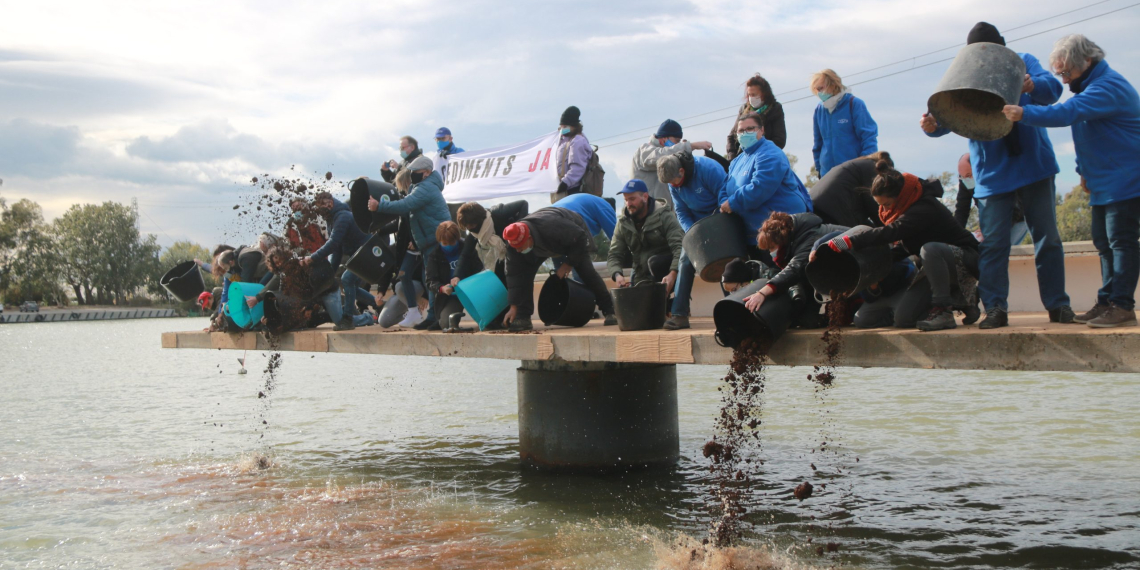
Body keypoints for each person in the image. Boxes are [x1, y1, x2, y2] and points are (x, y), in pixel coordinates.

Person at [922, 22, 1073, 328]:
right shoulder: (966, 72)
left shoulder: (1023, 60)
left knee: (1048, 240)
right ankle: (995, 309)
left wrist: (1033, 86)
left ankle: (1058, 306)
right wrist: (932, 127)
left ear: (1003, 47)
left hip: (1034, 165)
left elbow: (1053, 91)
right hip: (992, 172)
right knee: (993, 245)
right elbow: (949, 116)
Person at [1002, 34, 1140, 328]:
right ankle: (1107, 301)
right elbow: (1088, 135)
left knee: (1121, 242)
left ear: (1087, 62)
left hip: (1127, 179)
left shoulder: (1108, 87)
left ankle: (1122, 306)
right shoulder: (1091, 87)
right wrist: (1082, 171)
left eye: (1067, 72)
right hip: (1105, 181)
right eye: (1059, 73)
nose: (1064, 80)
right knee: (1104, 243)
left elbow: (1068, 113)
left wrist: (1024, 113)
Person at [818, 158, 981, 331]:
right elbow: (904, 248)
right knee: (904, 319)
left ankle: (944, 311)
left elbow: (893, 231)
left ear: (900, 196)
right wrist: (878, 266)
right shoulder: (902, 211)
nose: (885, 211)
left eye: (887, 204)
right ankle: (963, 300)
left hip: (964, 259)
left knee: (930, 249)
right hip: (933, 268)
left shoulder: (924, 207)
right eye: (881, 206)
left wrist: (850, 240)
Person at [369, 155, 452, 329]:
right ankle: (431, 316)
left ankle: (436, 317)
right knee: (428, 279)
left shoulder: (426, 188)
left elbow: (405, 205)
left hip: (435, 239)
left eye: (415, 172)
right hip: (429, 241)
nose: (412, 174)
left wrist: (380, 206)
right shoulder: (421, 185)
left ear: (427, 173)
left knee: (433, 279)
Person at [501, 208, 617, 331]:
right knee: (524, 274)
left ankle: (610, 310)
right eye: (515, 247)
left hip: (574, 236)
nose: (518, 250)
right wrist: (514, 306)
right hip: (545, 242)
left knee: (586, 272)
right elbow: (515, 277)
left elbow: (580, 237)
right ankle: (523, 317)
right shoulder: (513, 246)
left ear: (529, 237)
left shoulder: (551, 226)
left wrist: (569, 263)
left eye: (520, 247)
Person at [657, 151, 729, 329]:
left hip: (721, 218)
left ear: (682, 170)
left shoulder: (708, 169)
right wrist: (693, 232)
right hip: (695, 225)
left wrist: (714, 226)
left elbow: (725, 196)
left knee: (724, 262)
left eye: (675, 181)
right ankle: (679, 314)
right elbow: (681, 211)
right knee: (684, 260)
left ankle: (732, 307)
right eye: (670, 184)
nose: (673, 186)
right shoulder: (673, 182)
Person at [721, 112, 812, 247]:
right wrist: (724, 203)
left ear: (761, 130)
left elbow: (760, 187)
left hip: (782, 231)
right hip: (755, 235)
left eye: (750, 129)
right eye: (741, 130)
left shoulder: (770, 153)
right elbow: (725, 187)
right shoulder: (737, 161)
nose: (745, 133)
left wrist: (733, 203)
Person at [740, 212, 844, 329]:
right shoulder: (796, 240)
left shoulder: (809, 239)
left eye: (772, 247)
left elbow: (794, 269)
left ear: (782, 240)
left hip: (853, 271)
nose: (771, 253)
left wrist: (762, 293)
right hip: (836, 276)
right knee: (807, 320)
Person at [302, 191, 370, 331]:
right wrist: (330, 274)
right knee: (352, 288)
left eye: (322, 207)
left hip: (366, 252)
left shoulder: (342, 217)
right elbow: (337, 249)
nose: (321, 211)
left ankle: (348, 319)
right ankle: (379, 303)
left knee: (347, 280)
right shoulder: (331, 220)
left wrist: (312, 258)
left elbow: (333, 243)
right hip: (357, 254)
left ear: (330, 203)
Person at [606, 180, 684, 299]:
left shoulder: (664, 216)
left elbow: (679, 247)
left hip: (665, 269)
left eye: (632, 199)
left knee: (654, 262)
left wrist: (673, 273)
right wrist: (617, 274)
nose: (628, 203)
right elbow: (614, 254)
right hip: (640, 272)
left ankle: (678, 306)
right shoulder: (623, 223)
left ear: (645, 197)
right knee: (634, 307)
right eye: (626, 200)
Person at [811, 69, 878, 177]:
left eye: (821, 88)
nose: (819, 93)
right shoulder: (819, 109)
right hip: (827, 173)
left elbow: (868, 137)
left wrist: (865, 164)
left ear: (833, 84)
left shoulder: (854, 104)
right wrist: (819, 169)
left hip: (853, 171)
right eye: (816, 89)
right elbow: (817, 144)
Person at [630, 119, 712, 207]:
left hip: (663, 213)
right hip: (647, 215)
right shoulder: (643, 151)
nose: (678, 144)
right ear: (664, 139)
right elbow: (660, 156)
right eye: (677, 141)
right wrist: (690, 146)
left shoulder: (670, 154)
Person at [953, 153, 1029, 245]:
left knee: (1001, 249)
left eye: (969, 175)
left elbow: (1014, 208)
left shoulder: (997, 174)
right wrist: (956, 235)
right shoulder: (965, 179)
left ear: (979, 170)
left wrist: (991, 230)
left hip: (1016, 217)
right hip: (991, 219)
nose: (966, 179)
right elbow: (962, 208)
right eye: (962, 176)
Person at [456, 200, 529, 282]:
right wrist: (456, 276)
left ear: (480, 219)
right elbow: (465, 255)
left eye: (472, 225)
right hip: (502, 256)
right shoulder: (474, 234)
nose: (471, 229)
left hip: (521, 249)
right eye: (467, 227)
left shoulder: (498, 213)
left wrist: (518, 231)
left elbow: (523, 204)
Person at [808, 153, 888, 228]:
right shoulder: (873, 168)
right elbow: (875, 208)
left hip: (812, 208)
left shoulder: (855, 165)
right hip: (832, 213)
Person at [726, 73, 788, 160]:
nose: (751, 98)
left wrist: (760, 154)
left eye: (754, 95)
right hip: (742, 158)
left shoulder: (775, 109)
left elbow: (779, 140)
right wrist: (732, 159)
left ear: (764, 94)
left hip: (765, 157)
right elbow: (732, 137)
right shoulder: (744, 109)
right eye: (749, 95)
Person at [424, 221, 470, 331]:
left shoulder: (467, 247)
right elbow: (430, 281)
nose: (448, 246)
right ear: (439, 241)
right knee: (446, 324)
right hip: (452, 296)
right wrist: (442, 288)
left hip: (471, 291)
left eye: (452, 243)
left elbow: (478, 269)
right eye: (444, 243)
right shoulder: (434, 255)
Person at [552, 106, 592, 202]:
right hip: (563, 188)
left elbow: (577, 167)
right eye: (561, 126)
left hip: (573, 190)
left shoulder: (578, 141)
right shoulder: (562, 141)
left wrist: (565, 183)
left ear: (573, 126)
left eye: (565, 127)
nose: (562, 129)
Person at [551, 193, 616, 240]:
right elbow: (616, 238)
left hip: (545, 215)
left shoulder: (589, 203)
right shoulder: (605, 207)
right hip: (565, 219)